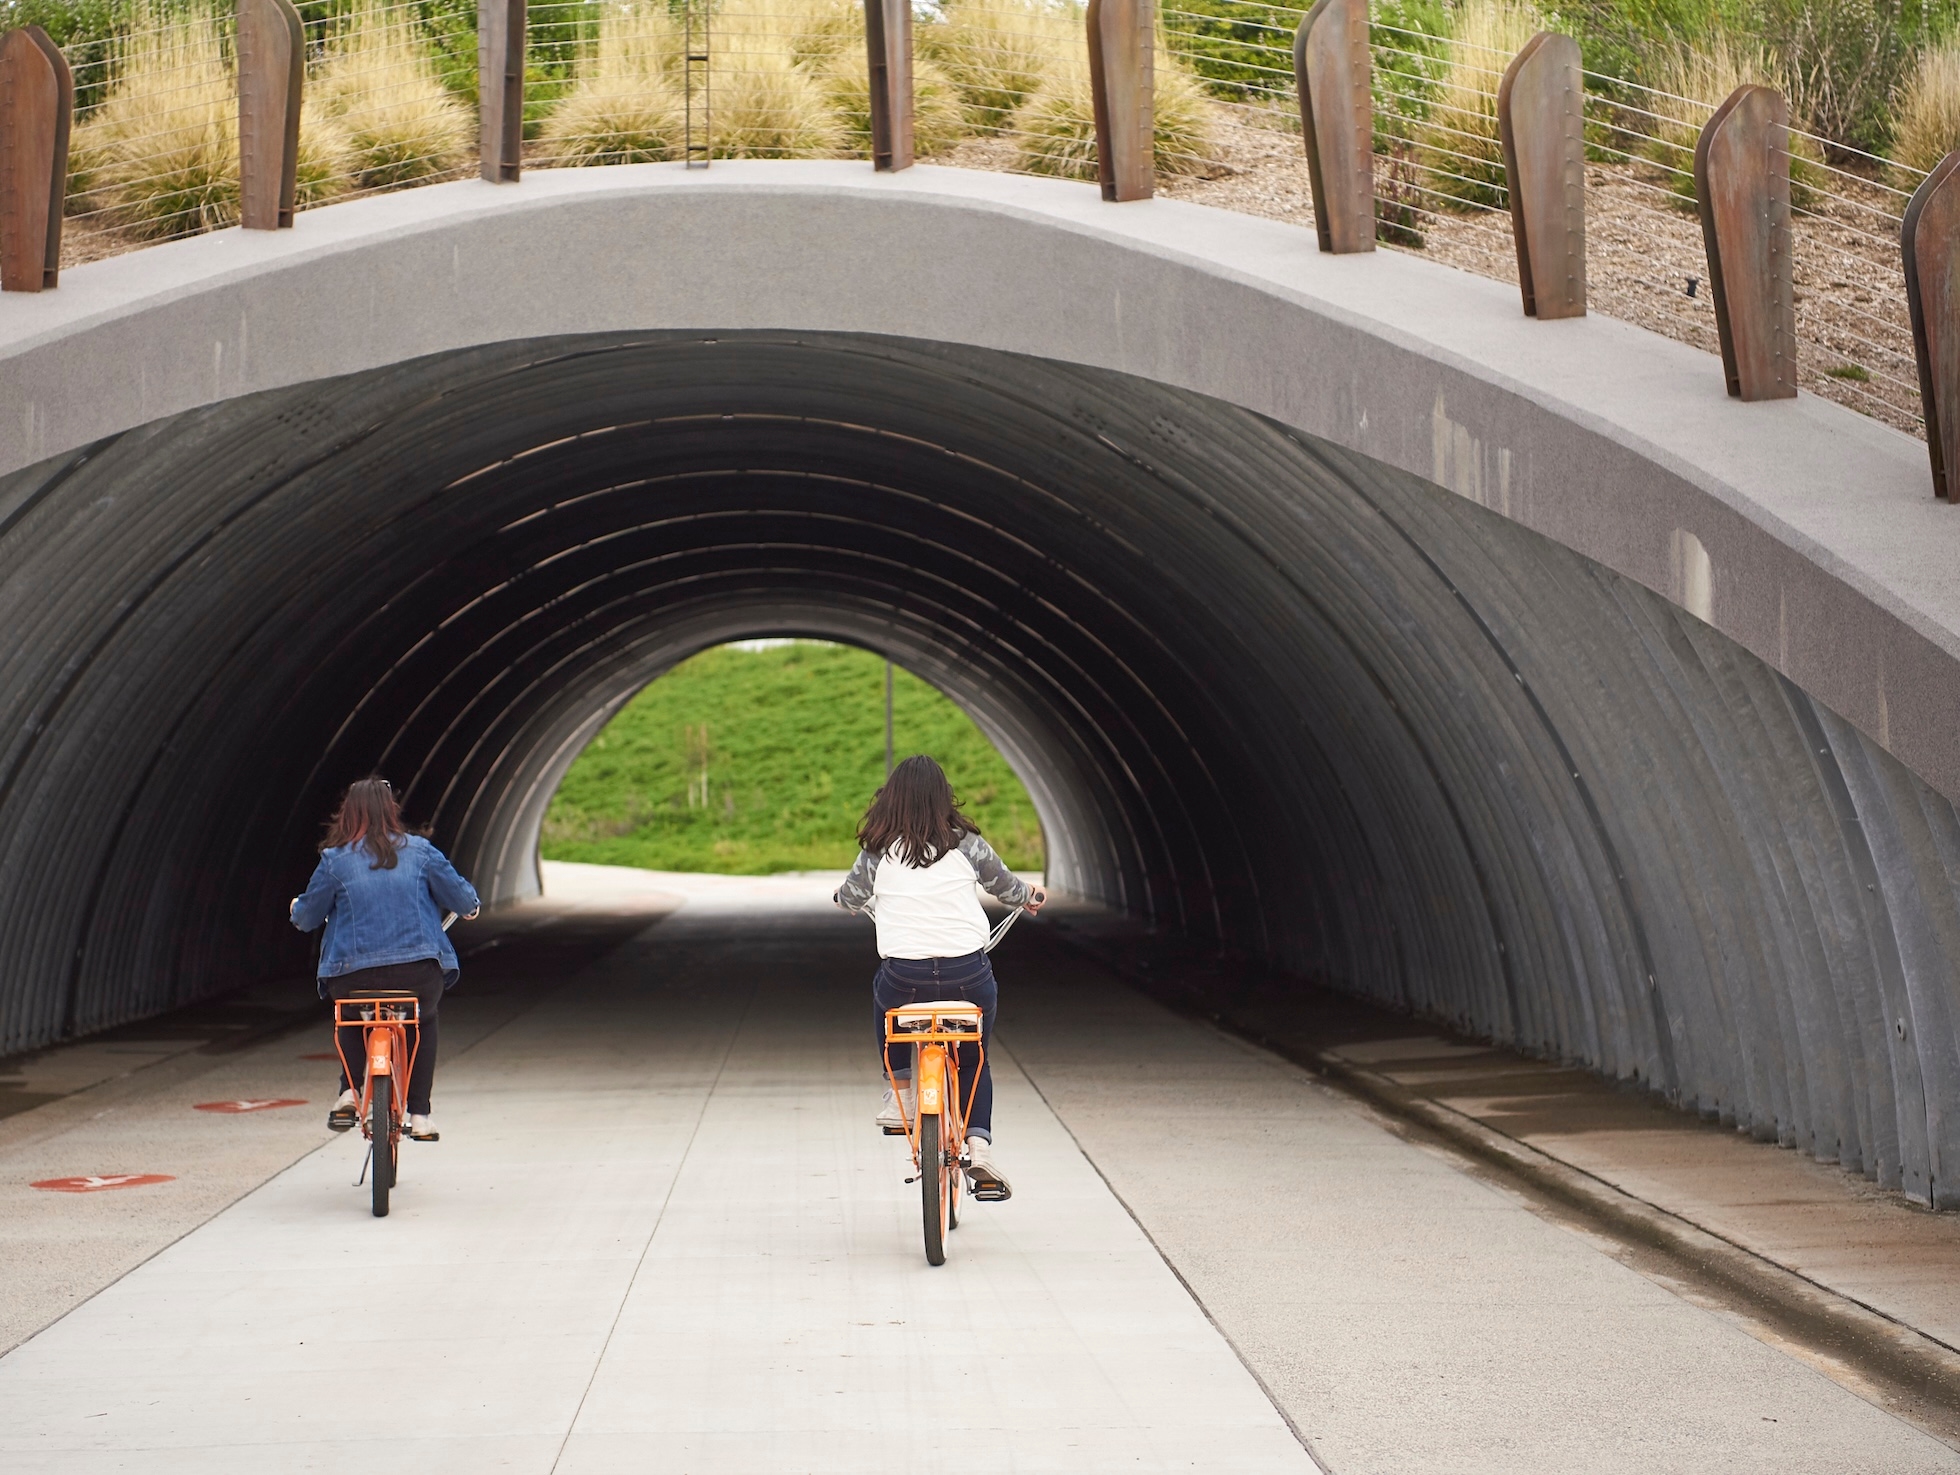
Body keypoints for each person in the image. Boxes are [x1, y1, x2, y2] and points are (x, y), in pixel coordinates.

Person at [834, 754, 1044, 1200]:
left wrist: (842, 897)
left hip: (904, 979)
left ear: (891, 799)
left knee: (884, 1000)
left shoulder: (877, 849)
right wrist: (1029, 895)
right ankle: (979, 1147)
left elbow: (851, 896)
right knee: (974, 1055)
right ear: (943, 797)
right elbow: (1006, 887)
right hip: (967, 974)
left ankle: (901, 1096)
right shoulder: (966, 844)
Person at [290, 777, 480, 1142]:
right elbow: (463, 900)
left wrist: (297, 908)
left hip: (352, 975)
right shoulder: (422, 852)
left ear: (347, 814)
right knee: (424, 1019)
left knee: (349, 1014)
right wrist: (470, 907)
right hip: (417, 974)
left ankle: (349, 1092)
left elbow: (307, 918)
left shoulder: (334, 861)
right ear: (392, 811)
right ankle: (420, 1114)